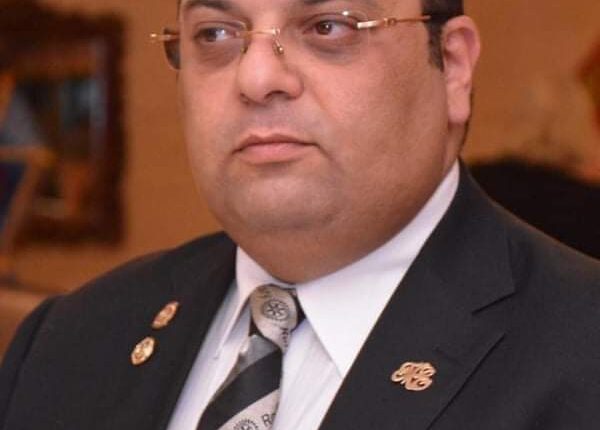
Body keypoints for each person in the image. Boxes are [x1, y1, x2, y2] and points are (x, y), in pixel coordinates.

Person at [1, 0, 600, 429]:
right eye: (215, 34)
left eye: (328, 26)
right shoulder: (67, 343)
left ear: (453, 64)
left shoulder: (582, 352)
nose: (257, 76)